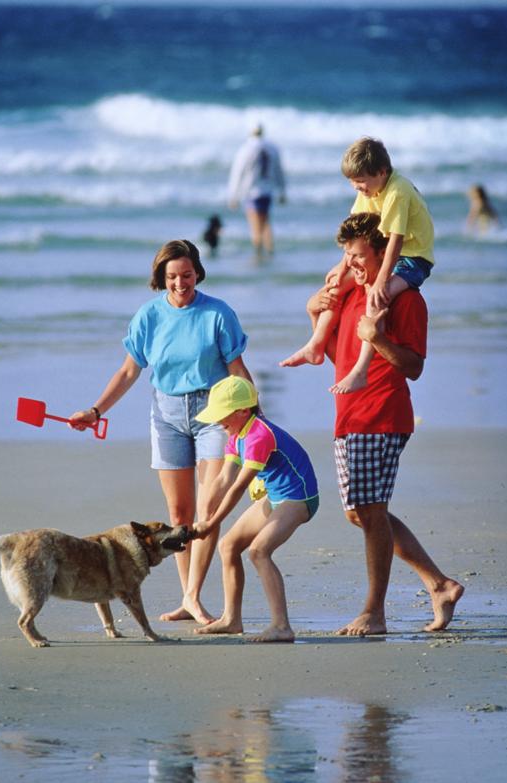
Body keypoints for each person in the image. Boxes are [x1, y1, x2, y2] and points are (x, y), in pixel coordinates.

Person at [69, 240, 254, 626]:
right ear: (161, 277)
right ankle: (188, 598)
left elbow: (237, 370)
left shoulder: (217, 313)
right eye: (172, 276)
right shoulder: (149, 316)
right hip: (166, 414)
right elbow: (128, 372)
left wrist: (254, 417)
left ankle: (192, 596)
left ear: (197, 273)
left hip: (213, 412)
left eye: (186, 275)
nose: (180, 283)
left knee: (210, 507)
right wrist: (95, 410)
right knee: (179, 513)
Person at [304, 214, 463, 636]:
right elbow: (335, 356)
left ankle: (374, 612)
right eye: (347, 256)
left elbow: (413, 366)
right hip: (348, 413)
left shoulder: (405, 300)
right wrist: (313, 314)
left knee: (370, 511)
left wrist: (378, 338)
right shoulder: (352, 291)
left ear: (382, 253)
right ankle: (439, 584)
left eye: (358, 256)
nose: (351, 264)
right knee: (361, 513)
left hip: (382, 413)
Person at [281, 137, 434, 396]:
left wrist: (382, 280)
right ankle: (316, 345)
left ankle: (361, 370)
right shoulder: (368, 191)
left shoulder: (397, 191)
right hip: (388, 253)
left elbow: (395, 240)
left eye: (361, 180)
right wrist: (342, 269)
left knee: (377, 298)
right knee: (337, 285)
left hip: (412, 259)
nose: (356, 186)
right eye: (352, 181)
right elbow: (353, 233)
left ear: (382, 172)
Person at [192, 375, 319, 642]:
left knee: (259, 550)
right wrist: (203, 517)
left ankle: (281, 626)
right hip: (274, 497)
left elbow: (238, 487)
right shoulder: (235, 434)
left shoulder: (259, 435)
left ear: (242, 411)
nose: (217, 421)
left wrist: (212, 523)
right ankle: (231, 619)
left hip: (298, 498)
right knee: (228, 545)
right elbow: (224, 480)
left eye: (222, 415)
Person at [228, 124, 286, 258]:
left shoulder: (246, 149)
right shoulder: (272, 148)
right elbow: (279, 172)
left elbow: (237, 173)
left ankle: (258, 257)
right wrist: (282, 191)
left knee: (255, 228)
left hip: (252, 193)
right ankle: (270, 254)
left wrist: (233, 195)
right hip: (267, 191)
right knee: (265, 224)